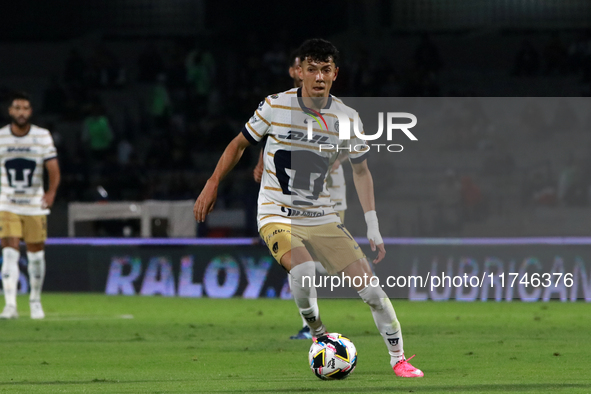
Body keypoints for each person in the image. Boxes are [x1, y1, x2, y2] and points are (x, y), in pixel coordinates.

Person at [194, 39, 423, 377]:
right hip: (276, 213)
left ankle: (399, 359)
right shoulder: (274, 106)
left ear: (335, 74)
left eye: (326, 69)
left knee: (373, 291)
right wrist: (213, 182)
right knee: (303, 271)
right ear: (299, 72)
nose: (319, 76)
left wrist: (372, 224)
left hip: (322, 216)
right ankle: (319, 334)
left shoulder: (347, 118)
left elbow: (361, 170)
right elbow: (238, 144)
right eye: (312, 69)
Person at [252, 51, 349, 340]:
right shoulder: (280, 104)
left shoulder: (330, 106)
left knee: (319, 261)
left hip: (327, 189)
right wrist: (261, 160)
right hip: (291, 195)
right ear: (295, 71)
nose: (301, 71)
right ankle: (311, 326)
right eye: (298, 66)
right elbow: (276, 136)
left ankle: (313, 320)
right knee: (300, 260)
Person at [0, 92, 60, 319]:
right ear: (10, 111)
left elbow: (53, 168)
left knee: (36, 257)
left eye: (25, 108)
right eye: (17, 107)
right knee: (9, 253)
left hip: (34, 204)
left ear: (30, 112)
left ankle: (35, 300)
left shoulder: (42, 136)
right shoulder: (1, 137)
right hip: (7, 203)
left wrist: (51, 191)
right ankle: (10, 305)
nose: (21, 112)